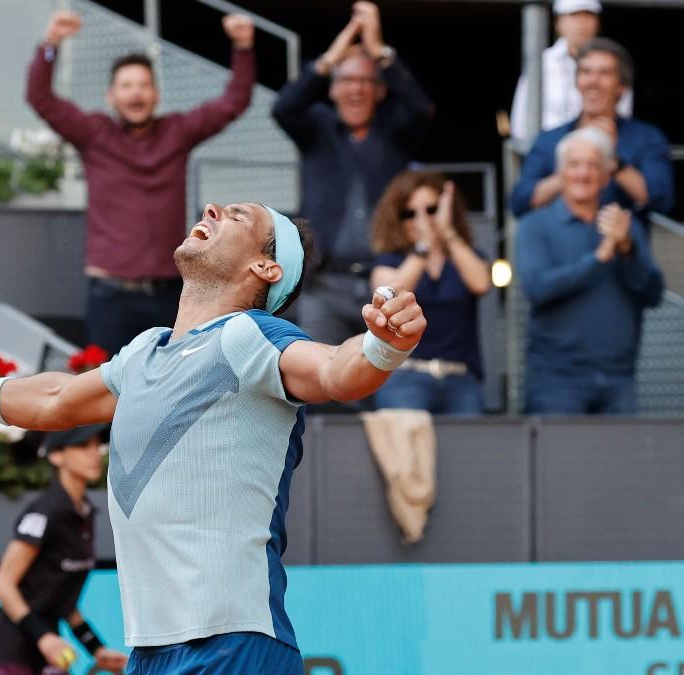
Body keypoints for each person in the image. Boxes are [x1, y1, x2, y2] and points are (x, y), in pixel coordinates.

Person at [0, 200, 428, 673]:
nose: (211, 208)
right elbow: (53, 400)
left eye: (239, 216)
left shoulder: (248, 337)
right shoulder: (142, 354)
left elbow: (337, 371)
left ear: (265, 268)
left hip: (233, 644)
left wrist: (384, 345)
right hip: (151, 650)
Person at [26, 10, 256, 356]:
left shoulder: (177, 132)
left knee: (170, 395)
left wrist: (242, 47)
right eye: (127, 86)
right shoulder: (94, 133)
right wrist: (50, 44)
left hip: (171, 290)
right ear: (111, 96)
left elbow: (232, 102)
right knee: (104, 400)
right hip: (109, 293)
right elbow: (41, 98)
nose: (136, 94)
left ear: (157, 95)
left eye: (144, 85)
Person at [271, 1, 433, 348]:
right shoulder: (317, 127)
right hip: (324, 281)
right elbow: (284, 107)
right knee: (318, 383)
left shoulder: (395, 130)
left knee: (385, 382)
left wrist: (379, 51)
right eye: (346, 80)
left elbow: (421, 108)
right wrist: (334, 53)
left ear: (380, 90)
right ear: (332, 89)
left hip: (388, 278)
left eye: (365, 80)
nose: (356, 89)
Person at [515, 127, 663, 415]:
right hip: (556, 380)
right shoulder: (535, 226)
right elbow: (538, 289)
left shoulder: (624, 226)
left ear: (607, 176)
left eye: (593, 165)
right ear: (560, 174)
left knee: (621, 461)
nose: (583, 174)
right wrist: (599, 257)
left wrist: (626, 249)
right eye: (574, 165)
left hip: (619, 376)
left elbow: (653, 294)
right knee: (557, 460)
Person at [0, 424, 128, 675]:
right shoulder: (44, 511)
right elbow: (3, 584)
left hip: (48, 652)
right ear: (56, 455)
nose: (95, 453)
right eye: (82, 446)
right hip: (5, 652)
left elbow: (63, 600)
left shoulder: (84, 514)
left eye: (96, 445)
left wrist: (96, 649)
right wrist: (43, 637)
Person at [369, 171, 491, 414]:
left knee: (472, 450)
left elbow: (482, 283)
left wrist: (446, 233)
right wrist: (424, 246)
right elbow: (389, 296)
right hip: (404, 377)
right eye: (410, 213)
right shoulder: (390, 260)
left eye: (432, 209)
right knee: (403, 451)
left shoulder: (466, 255)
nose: (422, 219)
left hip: (460, 379)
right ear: (397, 219)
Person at [510, 38, 672, 219]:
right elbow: (519, 202)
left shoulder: (646, 138)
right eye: (586, 72)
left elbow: (662, 201)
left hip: (622, 243)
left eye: (605, 73)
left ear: (622, 86)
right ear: (577, 81)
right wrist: (571, 171)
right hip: (562, 242)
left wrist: (613, 162)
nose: (593, 81)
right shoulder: (550, 139)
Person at [510, 0, 633, 146]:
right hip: (549, 155)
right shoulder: (541, 64)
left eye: (588, 15)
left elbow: (624, 117)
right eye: (573, 15)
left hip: (602, 153)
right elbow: (520, 124)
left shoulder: (613, 61)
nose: (581, 22)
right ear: (558, 22)